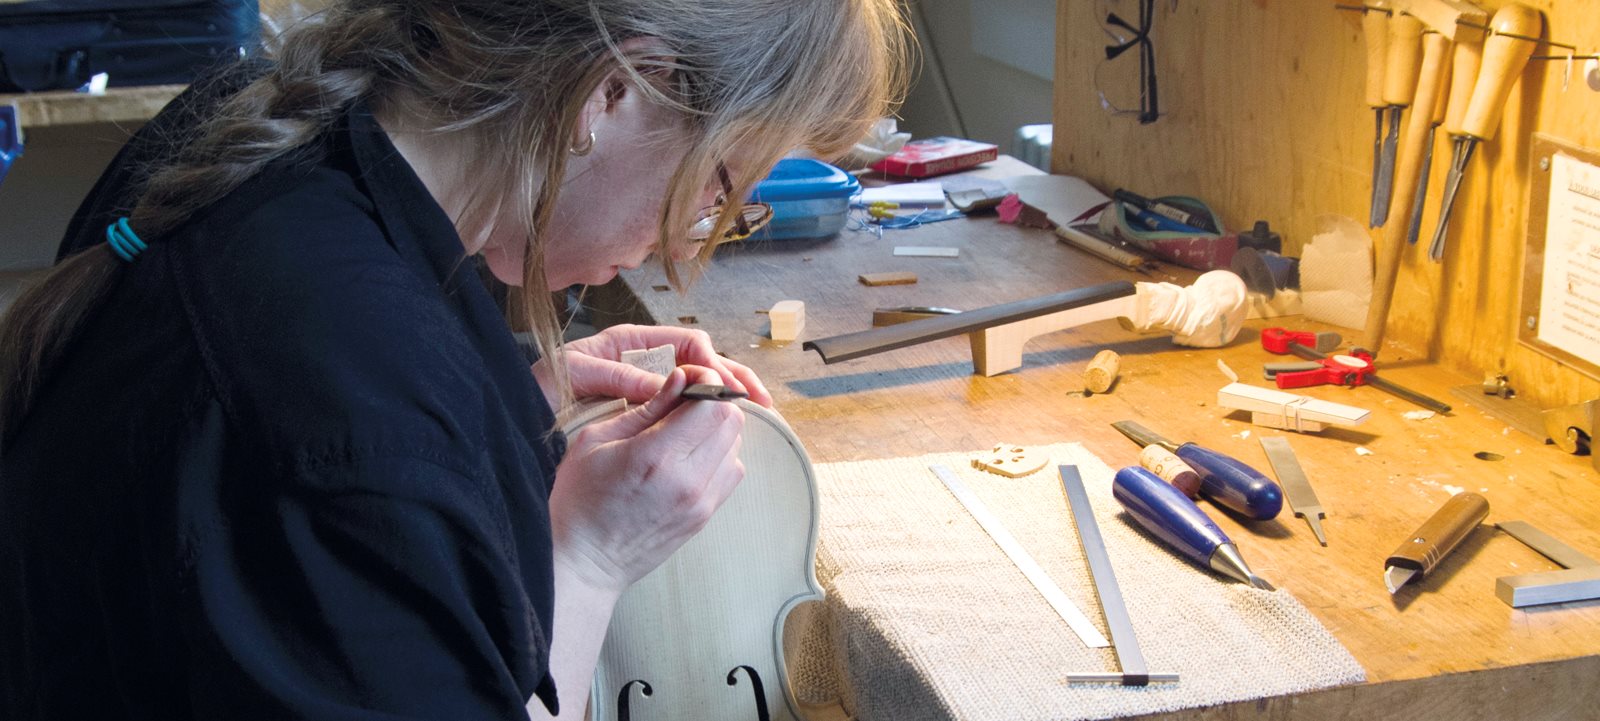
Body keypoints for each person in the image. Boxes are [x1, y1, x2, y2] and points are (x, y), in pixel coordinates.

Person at [0, 0, 907, 718]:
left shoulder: (268, 133)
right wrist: (591, 554)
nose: (689, 246)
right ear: (615, 90)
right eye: (721, 185)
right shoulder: (358, 437)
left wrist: (506, 398)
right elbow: (343, 442)